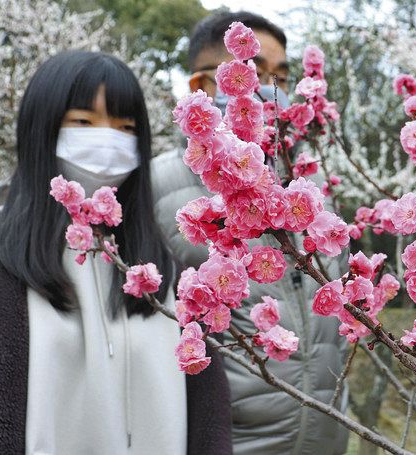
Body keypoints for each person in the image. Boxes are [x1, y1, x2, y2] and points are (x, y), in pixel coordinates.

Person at [0, 51, 232, 454]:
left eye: (126, 128)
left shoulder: (161, 270)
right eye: (83, 122)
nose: (108, 142)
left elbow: (208, 417)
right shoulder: (6, 260)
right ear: (41, 128)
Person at [151, 11, 350, 455]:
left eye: (281, 74)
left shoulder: (309, 179)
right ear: (203, 87)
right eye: (255, 72)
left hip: (326, 433)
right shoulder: (158, 186)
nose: (270, 86)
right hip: (222, 439)